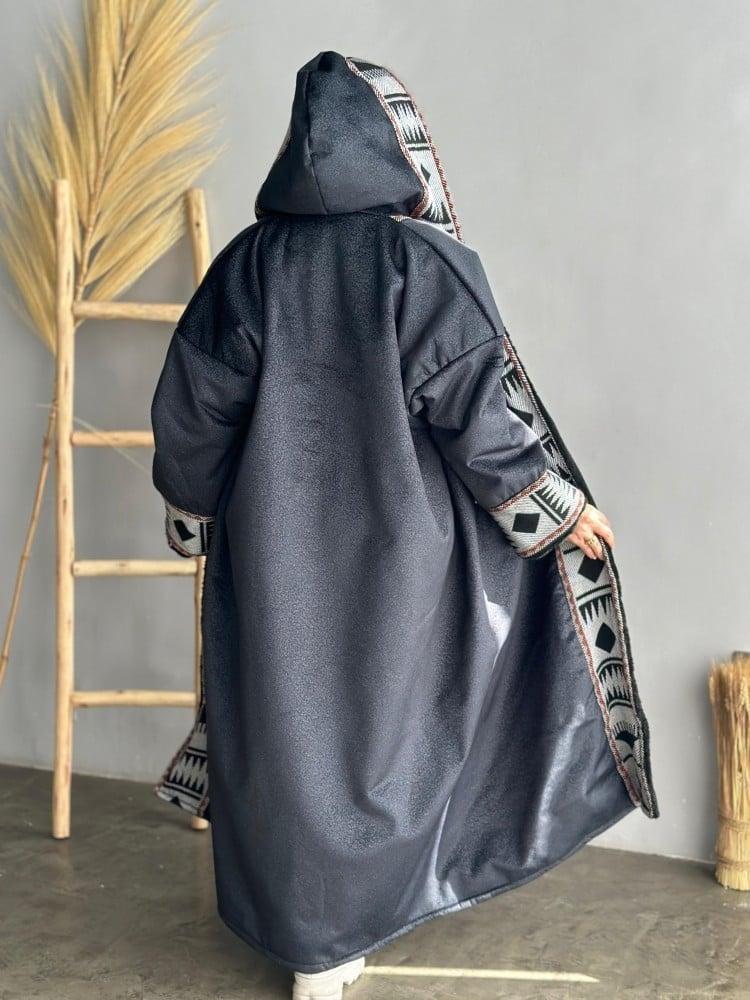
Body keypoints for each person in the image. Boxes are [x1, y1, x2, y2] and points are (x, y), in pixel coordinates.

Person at [150, 51, 658, 1000]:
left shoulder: (244, 267)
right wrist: (558, 508)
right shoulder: (420, 261)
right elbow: (479, 411)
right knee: (389, 732)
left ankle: (312, 940)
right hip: (405, 555)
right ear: (396, 144)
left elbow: (191, 411)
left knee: (291, 729)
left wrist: (195, 515)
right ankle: (350, 929)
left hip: (275, 548)